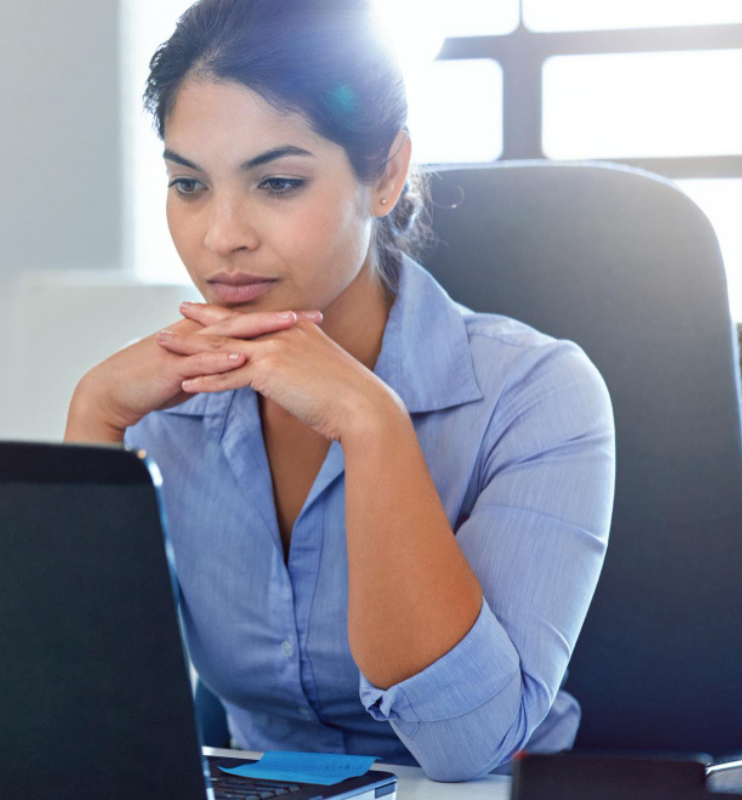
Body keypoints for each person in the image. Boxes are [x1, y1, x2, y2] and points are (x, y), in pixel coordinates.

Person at [64, 0, 615, 782]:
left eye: (278, 182)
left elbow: (467, 747)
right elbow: (76, 724)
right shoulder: (161, 409)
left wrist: (371, 423)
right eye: (189, 184)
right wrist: (94, 421)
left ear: (385, 174)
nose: (221, 236)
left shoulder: (536, 395)